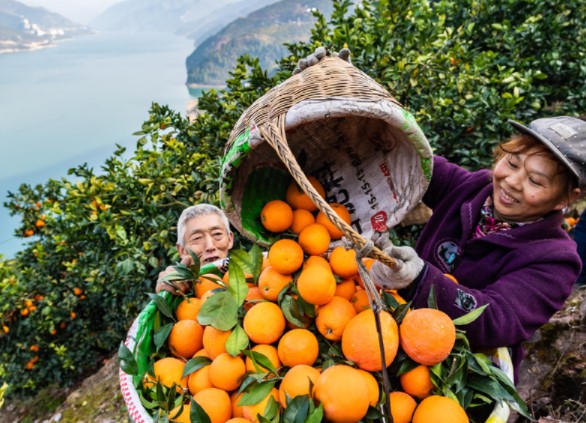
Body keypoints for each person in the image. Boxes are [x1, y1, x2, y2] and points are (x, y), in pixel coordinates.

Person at [370, 116, 586, 383]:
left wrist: (420, 279)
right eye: (512, 163)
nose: (512, 182)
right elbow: (416, 163)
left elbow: (496, 316)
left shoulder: (556, 259)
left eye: (536, 181)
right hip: (388, 329)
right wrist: (378, 130)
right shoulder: (472, 188)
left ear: (566, 198)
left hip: (458, 373)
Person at [155, 203, 234, 295]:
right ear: (182, 250)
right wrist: (165, 294)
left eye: (217, 234)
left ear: (230, 239)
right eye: (197, 238)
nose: (210, 246)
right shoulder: (183, 295)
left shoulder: (250, 279)